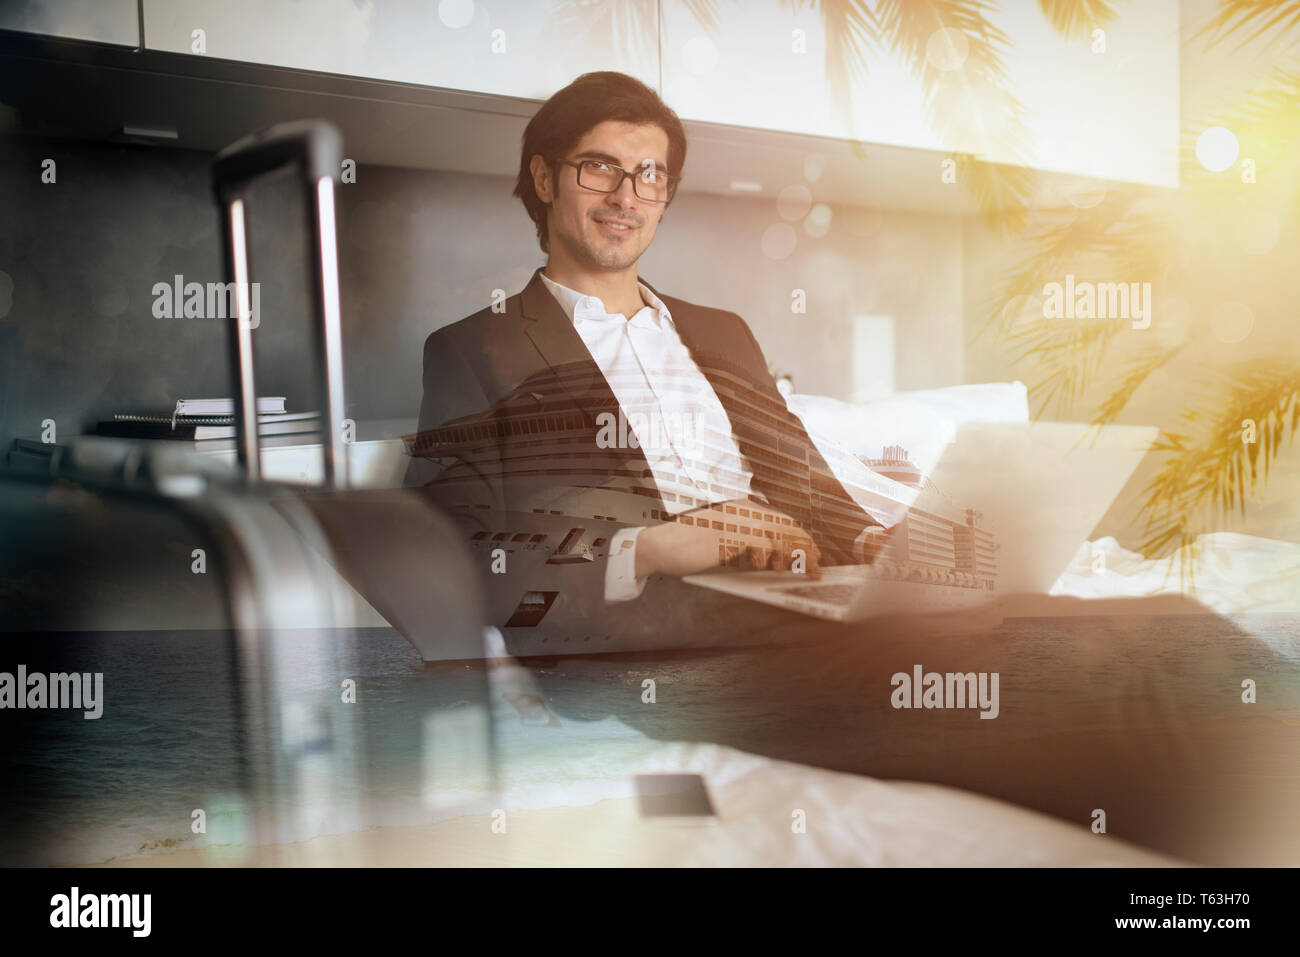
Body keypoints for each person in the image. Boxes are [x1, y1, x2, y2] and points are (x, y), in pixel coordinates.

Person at [404, 70, 885, 647]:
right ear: (544, 177)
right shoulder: (470, 350)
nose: (626, 197)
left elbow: (800, 477)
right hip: (656, 644)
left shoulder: (724, 332)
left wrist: (868, 541)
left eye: (649, 174)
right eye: (600, 166)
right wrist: (649, 549)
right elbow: (449, 553)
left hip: (806, 606)